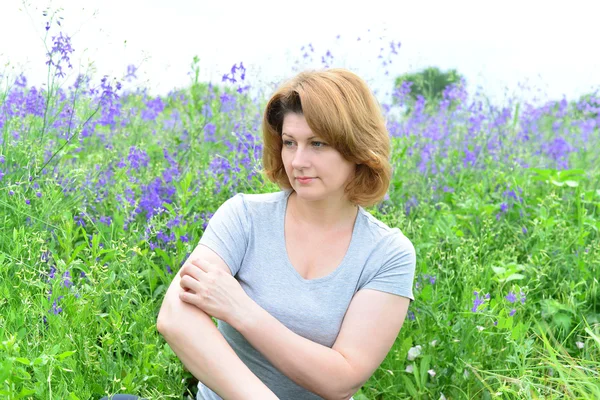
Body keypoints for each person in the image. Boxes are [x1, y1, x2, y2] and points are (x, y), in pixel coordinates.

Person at [153, 68, 416, 400]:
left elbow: (342, 379)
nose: (298, 161)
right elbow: (176, 316)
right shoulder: (245, 217)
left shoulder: (387, 253)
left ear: (358, 149)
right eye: (290, 143)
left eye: (317, 144)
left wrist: (242, 311)